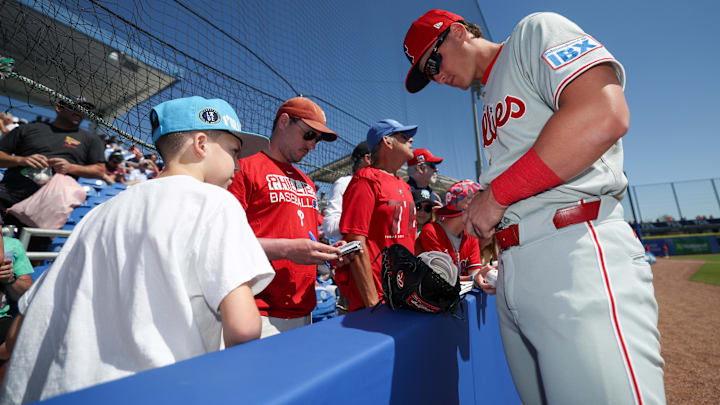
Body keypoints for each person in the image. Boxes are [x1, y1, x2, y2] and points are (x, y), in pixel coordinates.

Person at [403, 9, 665, 404]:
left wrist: (495, 197)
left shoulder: (533, 32)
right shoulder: (487, 98)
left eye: (434, 62)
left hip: (574, 249)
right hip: (517, 267)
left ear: (458, 32)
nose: (437, 76)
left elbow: (603, 112)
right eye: (428, 74)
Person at [0, 96, 275, 403]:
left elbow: (21, 328)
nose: (238, 165)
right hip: (157, 390)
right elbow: (244, 327)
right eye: (234, 151)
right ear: (200, 143)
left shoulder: (99, 213)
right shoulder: (216, 202)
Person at [228, 97, 345, 338]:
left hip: (304, 307)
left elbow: (303, 238)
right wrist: (288, 249)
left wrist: (328, 252)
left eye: (318, 140)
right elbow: (226, 242)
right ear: (283, 121)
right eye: (309, 134)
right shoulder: (243, 167)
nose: (313, 145)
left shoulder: (308, 182)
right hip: (257, 310)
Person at [338, 119, 417, 311]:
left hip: (405, 293)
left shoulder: (405, 186)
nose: (411, 141)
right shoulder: (366, 179)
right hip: (378, 299)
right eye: (404, 137)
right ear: (387, 142)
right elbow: (354, 242)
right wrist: (372, 303)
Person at [0, 96, 105, 212]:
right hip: (9, 194)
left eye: (84, 110)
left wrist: (70, 167)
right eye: (74, 107)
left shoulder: (91, 140)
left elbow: (100, 171)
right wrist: (21, 160)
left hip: (49, 207)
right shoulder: (27, 129)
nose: (79, 112)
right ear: (59, 108)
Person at [417, 180, 486, 282]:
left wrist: (486, 275)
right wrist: (473, 278)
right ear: (466, 205)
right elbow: (443, 278)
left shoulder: (470, 235)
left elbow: (474, 271)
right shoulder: (431, 232)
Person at [322, 141, 371, 243]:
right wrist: (362, 216)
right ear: (368, 159)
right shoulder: (344, 183)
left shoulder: (382, 184)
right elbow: (329, 228)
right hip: (352, 253)